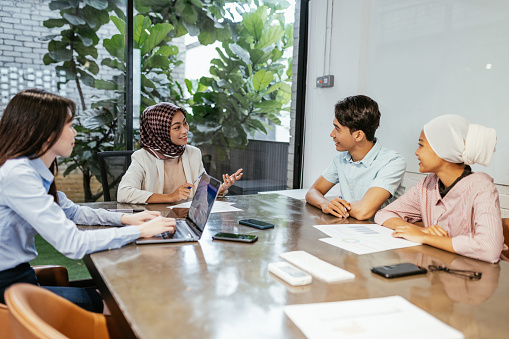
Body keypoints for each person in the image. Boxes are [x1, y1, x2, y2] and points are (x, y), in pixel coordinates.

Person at [0, 89, 176, 311]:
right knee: (123, 304)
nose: (75, 133)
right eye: (70, 125)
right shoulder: (19, 175)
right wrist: (140, 232)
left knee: (113, 295)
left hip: (19, 280)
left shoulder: (29, 170)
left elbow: (73, 212)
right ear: (46, 132)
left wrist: (126, 219)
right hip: (9, 291)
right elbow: (72, 244)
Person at [375, 114, 505, 263]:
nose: (416, 152)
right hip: (439, 270)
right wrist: (419, 230)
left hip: (478, 276)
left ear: (443, 149)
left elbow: (488, 249)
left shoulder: (482, 187)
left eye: (421, 145)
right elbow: (384, 214)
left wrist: (425, 237)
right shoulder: (428, 184)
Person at [117, 102, 243, 204]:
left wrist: (221, 188)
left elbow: (201, 189)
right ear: (161, 131)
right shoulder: (142, 157)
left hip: (187, 220)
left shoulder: (193, 153)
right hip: (155, 222)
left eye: (185, 123)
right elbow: (124, 193)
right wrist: (171, 197)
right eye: (177, 127)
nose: (185, 130)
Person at [305, 95, 406, 220]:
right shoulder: (340, 159)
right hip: (350, 231)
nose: (332, 134)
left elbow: (364, 211)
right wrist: (325, 204)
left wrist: (338, 207)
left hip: (382, 234)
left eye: (337, 129)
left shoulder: (392, 162)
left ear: (358, 135)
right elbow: (313, 191)